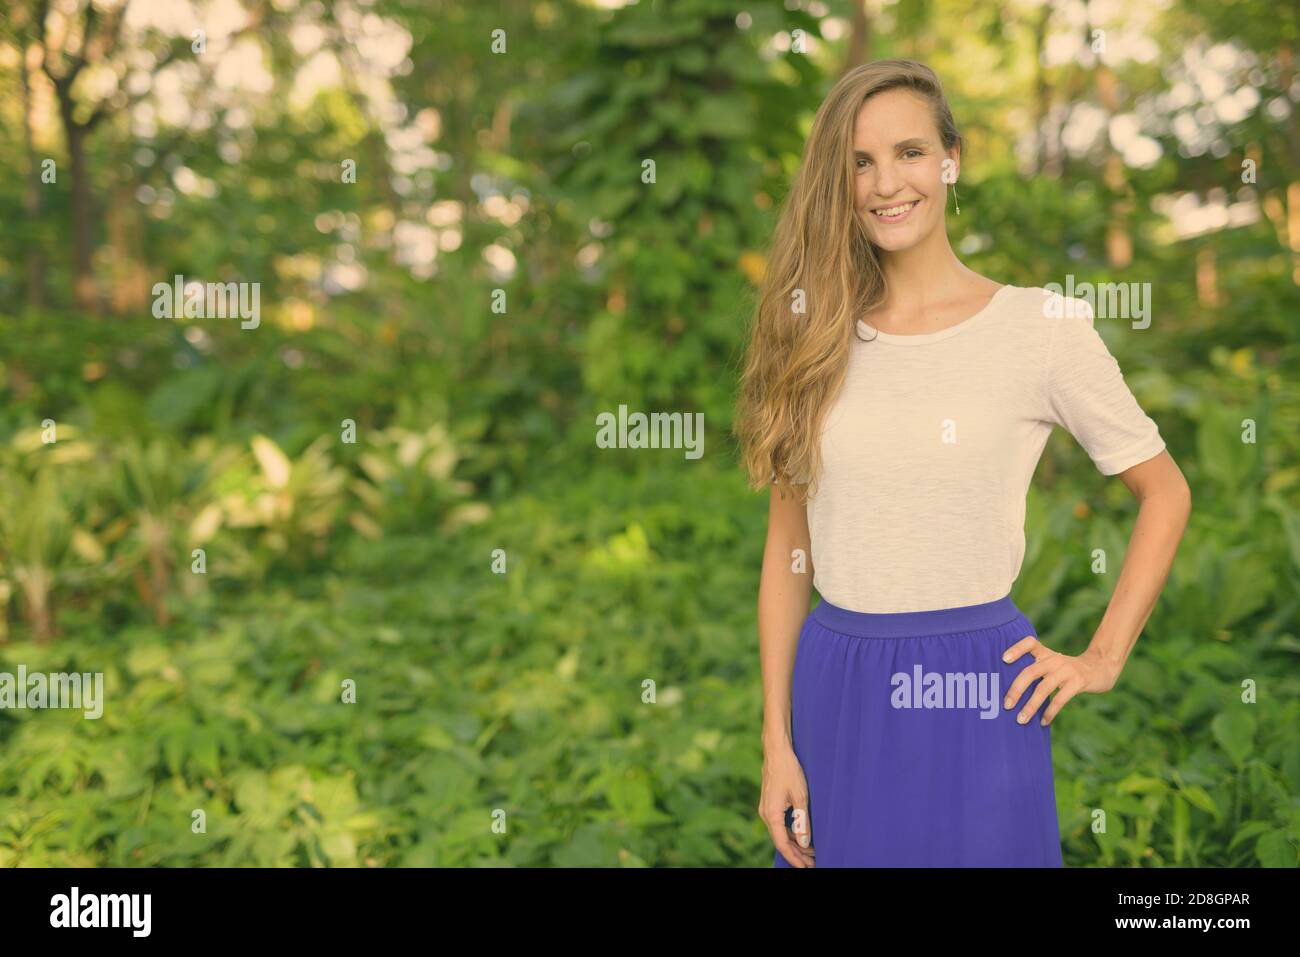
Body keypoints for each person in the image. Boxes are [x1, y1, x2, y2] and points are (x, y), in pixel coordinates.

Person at [733, 59, 1192, 868]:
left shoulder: (1040, 328)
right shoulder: (813, 337)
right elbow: (787, 552)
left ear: (952, 159)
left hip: (981, 685)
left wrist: (1102, 658)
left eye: (909, 152)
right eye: (860, 162)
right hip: (837, 683)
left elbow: (1164, 492)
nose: (885, 183)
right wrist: (776, 741)